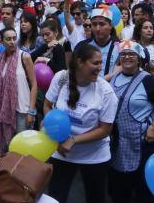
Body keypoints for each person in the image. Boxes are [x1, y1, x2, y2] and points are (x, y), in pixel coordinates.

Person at [44, 42, 117, 203]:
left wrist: (73, 140)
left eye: (101, 63)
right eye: (95, 63)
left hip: (94, 156)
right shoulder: (61, 78)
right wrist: (56, 135)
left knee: (95, 198)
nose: (99, 68)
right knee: (55, 197)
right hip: (61, 151)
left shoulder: (106, 91)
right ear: (80, 62)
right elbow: (47, 106)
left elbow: (105, 130)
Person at [107, 41, 154, 203]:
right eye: (123, 54)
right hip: (116, 144)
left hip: (141, 144)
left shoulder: (148, 80)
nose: (127, 57)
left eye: (132, 55)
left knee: (143, 191)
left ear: (139, 59)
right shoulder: (114, 78)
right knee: (118, 190)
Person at [0, 27, 38, 150]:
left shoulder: (24, 57)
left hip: (23, 110)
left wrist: (31, 111)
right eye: (8, 39)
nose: (12, 42)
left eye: (14, 38)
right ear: (2, 42)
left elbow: (34, 84)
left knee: (23, 148)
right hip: (5, 110)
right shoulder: (1, 60)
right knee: (11, 148)